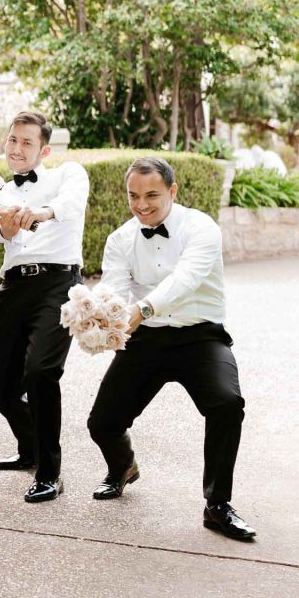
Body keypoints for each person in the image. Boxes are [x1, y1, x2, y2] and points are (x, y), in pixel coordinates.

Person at [87, 156, 255, 540]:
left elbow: (186, 278)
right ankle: (122, 466)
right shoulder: (120, 240)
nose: (141, 205)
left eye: (152, 195)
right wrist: (99, 320)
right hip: (145, 339)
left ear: (173, 191)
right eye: (133, 196)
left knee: (227, 405)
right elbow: (113, 292)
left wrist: (143, 308)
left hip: (200, 336)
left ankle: (217, 505)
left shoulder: (201, 227)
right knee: (102, 424)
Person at [0, 111, 89, 503]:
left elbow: (70, 205)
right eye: (13, 140)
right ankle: (29, 448)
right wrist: (5, 227)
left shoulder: (68, 175)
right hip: (13, 286)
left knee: (41, 372)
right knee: (1, 387)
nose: (16, 148)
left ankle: (49, 471)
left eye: (27, 142)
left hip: (58, 283)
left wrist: (40, 213)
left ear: (44, 151)